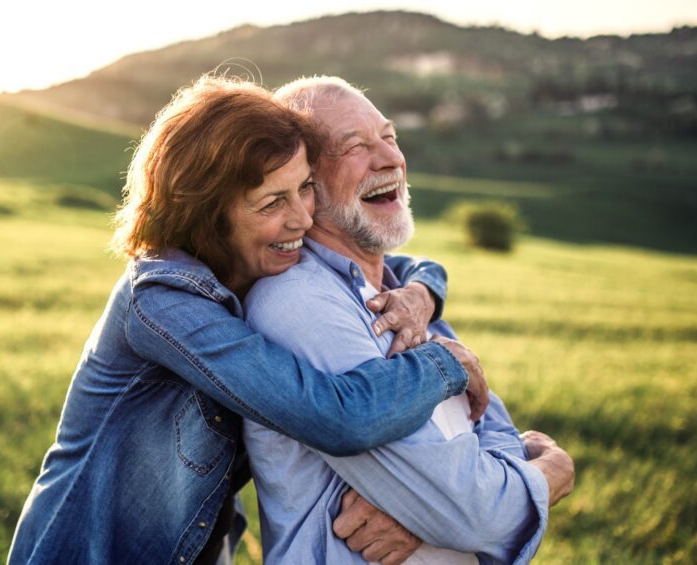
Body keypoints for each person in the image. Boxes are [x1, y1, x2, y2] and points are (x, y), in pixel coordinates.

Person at [6, 76, 491, 564]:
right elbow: (336, 417)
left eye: (305, 188)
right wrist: (445, 362)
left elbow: (402, 266)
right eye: (273, 202)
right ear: (208, 213)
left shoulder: (253, 265)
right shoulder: (163, 301)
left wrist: (421, 293)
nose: (303, 218)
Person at [243, 76, 576, 564]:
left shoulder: (406, 299)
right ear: (303, 184)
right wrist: (553, 473)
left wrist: (432, 511)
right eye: (355, 147)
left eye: (390, 136)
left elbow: (488, 428)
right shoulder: (299, 304)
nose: (390, 159)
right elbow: (474, 513)